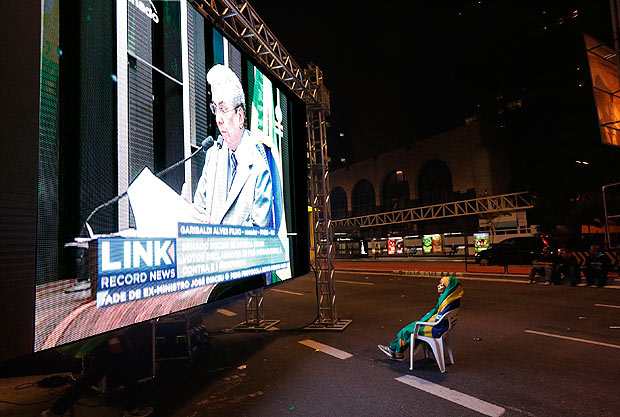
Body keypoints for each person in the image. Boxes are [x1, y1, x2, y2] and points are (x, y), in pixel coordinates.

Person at [192, 64, 275, 228]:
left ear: (240, 117)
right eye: (215, 108)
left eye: (223, 108)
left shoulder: (259, 163)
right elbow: (199, 210)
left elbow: (260, 231)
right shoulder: (213, 155)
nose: (218, 119)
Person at [41, 330, 153, 417]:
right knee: (128, 371)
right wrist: (113, 339)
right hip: (113, 339)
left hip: (111, 338)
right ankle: (132, 409)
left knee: (94, 376)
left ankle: (56, 410)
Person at [377, 276, 464, 361]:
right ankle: (394, 350)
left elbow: (438, 319)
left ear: (448, 287)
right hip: (443, 327)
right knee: (412, 326)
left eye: (441, 284)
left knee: (406, 330)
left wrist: (425, 320)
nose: (438, 286)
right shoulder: (453, 298)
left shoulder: (448, 302)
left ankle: (395, 351)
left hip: (436, 329)